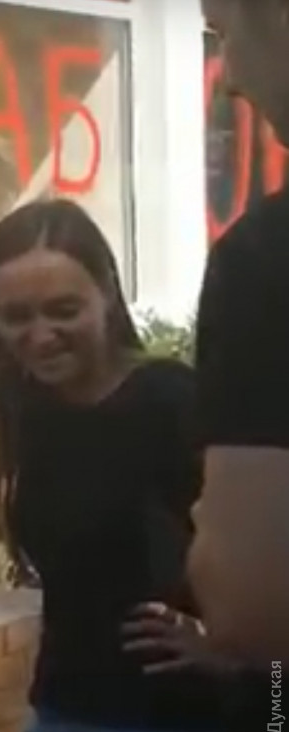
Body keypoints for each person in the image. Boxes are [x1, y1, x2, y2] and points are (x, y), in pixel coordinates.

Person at [0, 199, 237, 732]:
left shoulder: (169, 401)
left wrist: (235, 650)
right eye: (17, 317)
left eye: (63, 310)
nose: (40, 336)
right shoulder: (35, 408)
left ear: (106, 294)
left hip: (178, 717)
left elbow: (267, 528)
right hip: (63, 709)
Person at [189, 0, 289, 667]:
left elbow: (254, 611)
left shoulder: (264, 261)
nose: (227, 79)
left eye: (222, 34)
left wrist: (210, 542)